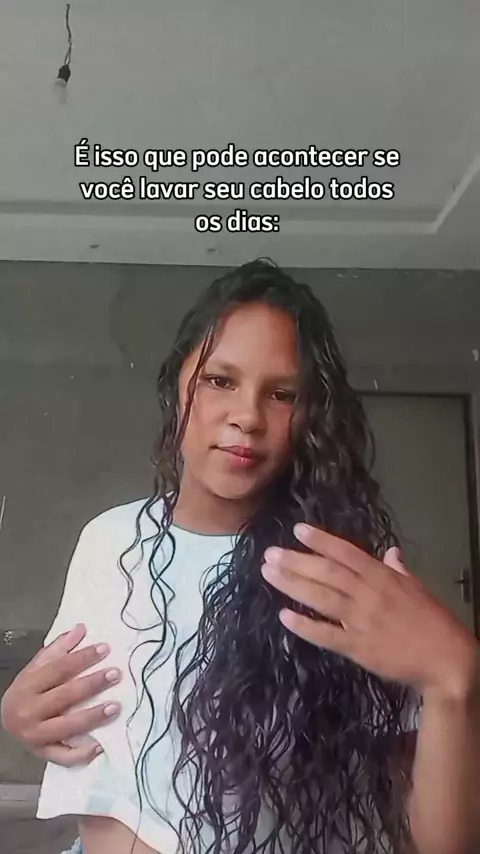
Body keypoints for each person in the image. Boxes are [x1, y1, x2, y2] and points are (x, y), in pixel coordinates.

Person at [1, 259, 479, 854]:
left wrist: (454, 681)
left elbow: (440, 842)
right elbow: (76, 716)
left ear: (309, 417)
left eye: (281, 394)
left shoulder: (338, 573)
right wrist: (22, 715)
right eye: (219, 380)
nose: (248, 417)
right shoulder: (110, 539)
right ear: (177, 387)